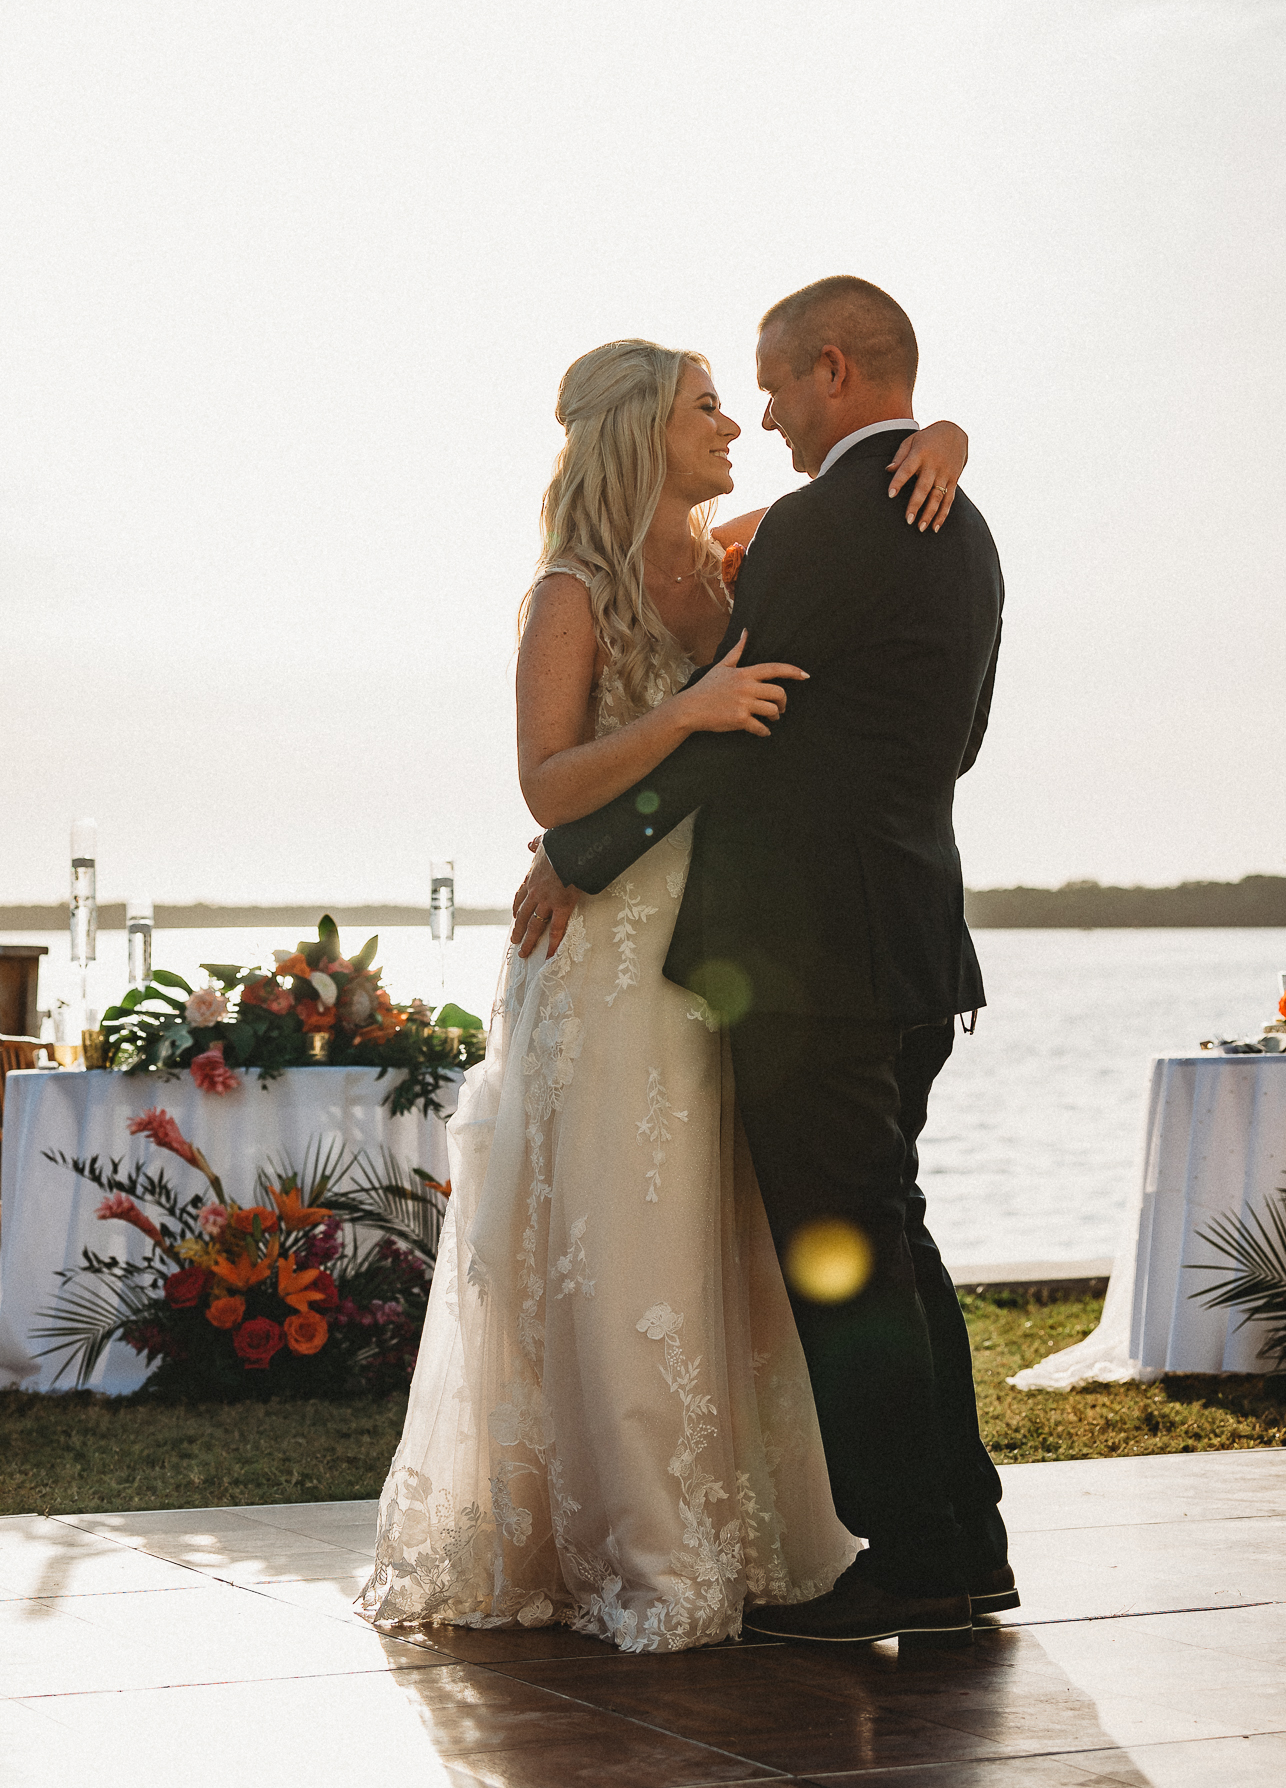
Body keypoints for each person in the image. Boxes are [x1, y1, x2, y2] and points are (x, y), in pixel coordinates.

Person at [357, 326, 970, 1651]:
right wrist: (682, 718)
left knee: (728, 1240)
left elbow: (862, 496)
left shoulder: (728, 555)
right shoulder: (570, 590)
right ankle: (636, 1533)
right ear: (646, 429)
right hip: (611, 947)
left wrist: (944, 440)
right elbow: (548, 781)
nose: (734, 428)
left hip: (731, 946)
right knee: (624, 1233)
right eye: (706, 409)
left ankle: (752, 1526)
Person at [521, 276, 1012, 1644]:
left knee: (846, 1263)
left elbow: (735, 730)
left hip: (810, 961)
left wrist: (578, 855)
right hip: (914, 944)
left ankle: (918, 1555)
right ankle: (964, 1541)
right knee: (898, 1243)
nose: (768, 414)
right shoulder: (959, 525)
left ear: (837, 371)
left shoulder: (818, 527)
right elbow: (948, 739)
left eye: (779, 385)